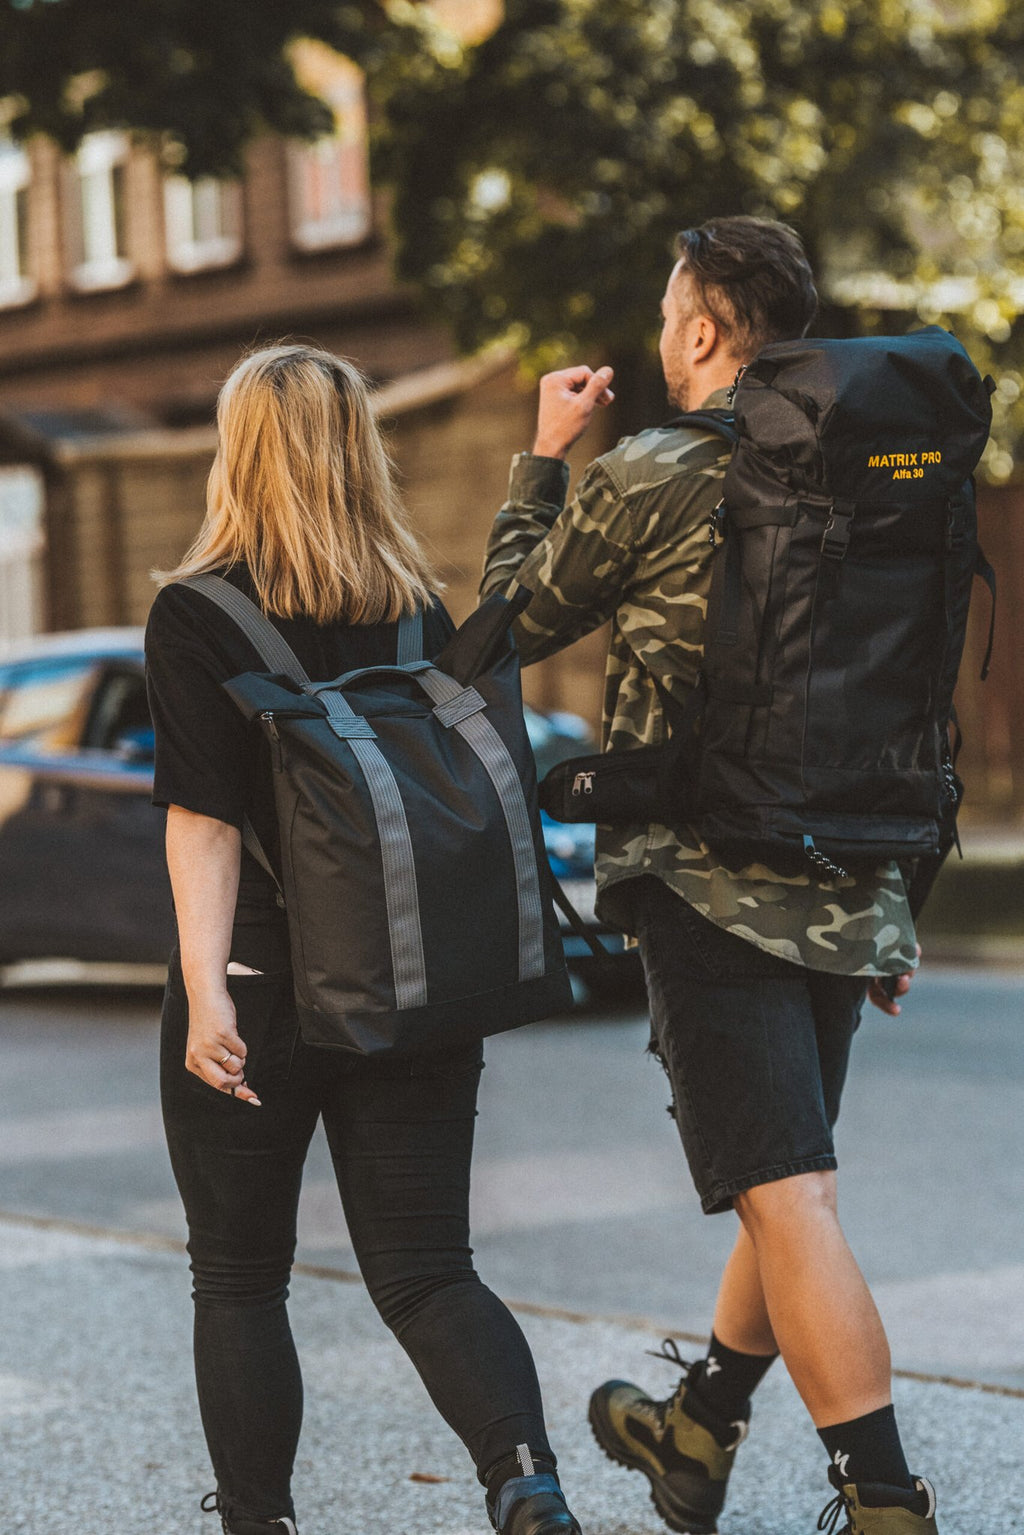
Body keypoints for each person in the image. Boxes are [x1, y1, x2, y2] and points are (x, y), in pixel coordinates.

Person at [480, 217, 941, 1534]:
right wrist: (895, 890)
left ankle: (887, 1499)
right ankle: (701, 1426)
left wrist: (544, 459)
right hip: (851, 865)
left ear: (698, 329)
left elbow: (504, 625)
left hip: (704, 877)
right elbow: (896, 687)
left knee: (787, 1194)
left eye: (670, 310)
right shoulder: (876, 466)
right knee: (781, 1180)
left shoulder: (655, 470)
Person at [145, 343, 582, 1535]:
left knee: (239, 1274)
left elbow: (204, 822)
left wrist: (207, 990)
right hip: (408, 973)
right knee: (431, 1267)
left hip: (265, 978)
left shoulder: (197, 612)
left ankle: (258, 1518)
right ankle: (526, 1480)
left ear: (241, 450)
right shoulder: (411, 605)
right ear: (357, 449)